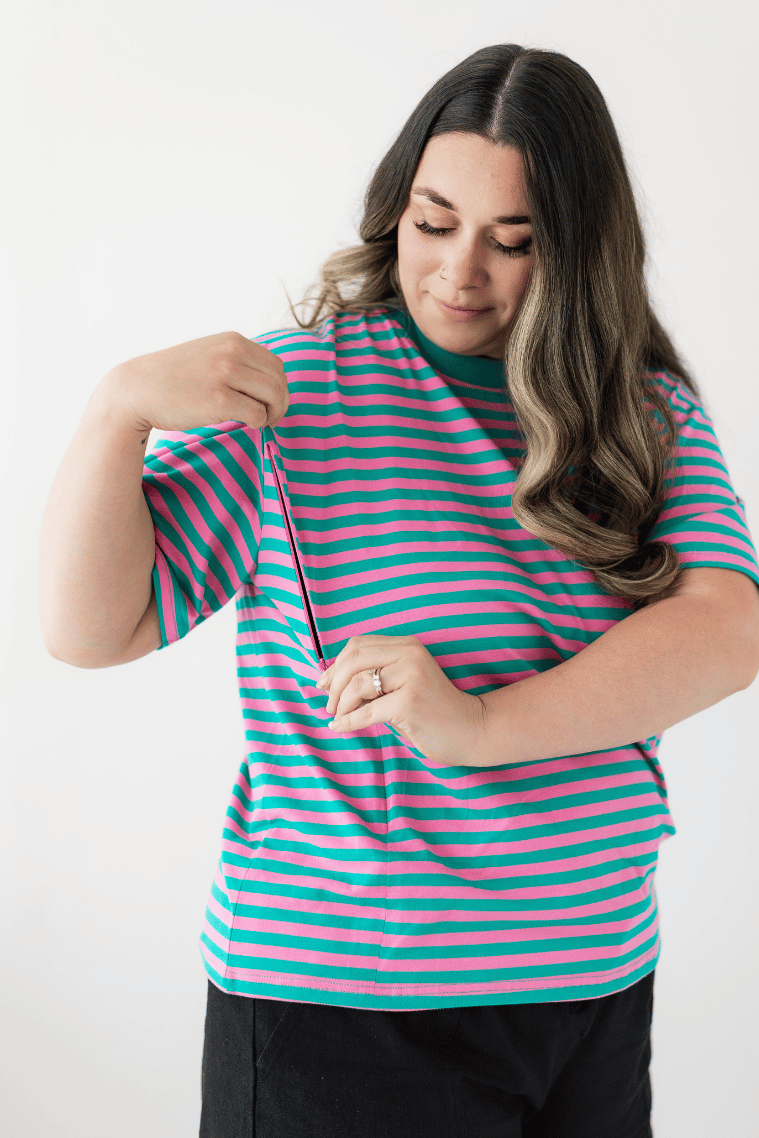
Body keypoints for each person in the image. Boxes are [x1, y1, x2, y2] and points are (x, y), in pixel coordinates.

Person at [38, 43, 759, 1138]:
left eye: (512, 242)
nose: (460, 273)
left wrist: (478, 725)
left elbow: (725, 626)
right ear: (394, 212)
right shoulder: (299, 394)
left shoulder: (643, 412)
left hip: (592, 987)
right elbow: (96, 628)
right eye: (434, 222)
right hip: (345, 1008)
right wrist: (114, 413)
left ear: (577, 251)